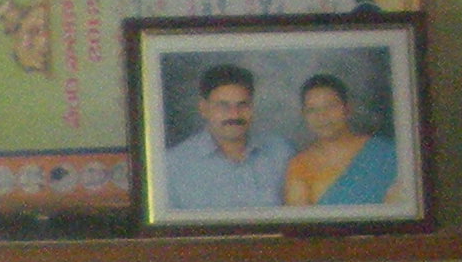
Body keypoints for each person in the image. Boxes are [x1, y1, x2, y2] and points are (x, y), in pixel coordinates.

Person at [159, 63, 288, 214]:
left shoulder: (282, 153)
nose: (234, 114)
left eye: (242, 105)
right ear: (203, 109)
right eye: (223, 106)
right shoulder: (172, 166)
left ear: (252, 106)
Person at [281, 72, 398, 208]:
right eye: (312, 110)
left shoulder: (385, 153)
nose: (322, 116)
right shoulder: (300, 165)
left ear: (347, 109)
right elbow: (301, 218)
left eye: (330, 106)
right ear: (304, 115)